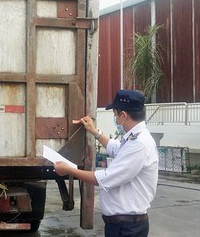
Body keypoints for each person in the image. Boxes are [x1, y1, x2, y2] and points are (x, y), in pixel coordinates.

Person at [54, 89, 158, 237]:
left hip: (128, 228)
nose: (115, 117)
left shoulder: (139, 144)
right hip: (122, 225)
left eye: (115, 114)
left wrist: (70, 170)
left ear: (123, 115)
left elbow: (106, 178)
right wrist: (94, 131)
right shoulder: (133, 138)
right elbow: (116, 148)